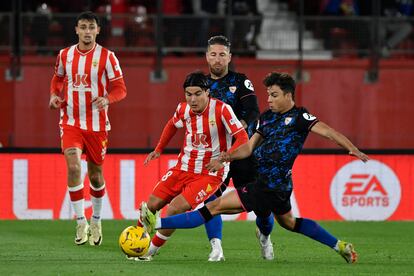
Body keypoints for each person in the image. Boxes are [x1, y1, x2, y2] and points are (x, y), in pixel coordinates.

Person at [142, 72, 369, 263]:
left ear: (288, 95)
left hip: (265, 186)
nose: (269, 100)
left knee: (212, 208)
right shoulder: (267, 118)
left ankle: (158, 223)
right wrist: (227, 157)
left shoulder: (301, 117)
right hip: (277, 185)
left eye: (274, 95)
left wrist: (352, 148)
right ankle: (338, 246)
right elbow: (248, 149)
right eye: (268, 94)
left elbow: (330, 132)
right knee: (290, 223)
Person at [136, 71, 249, 261]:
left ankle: (150, 250)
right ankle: (135, 242)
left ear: (207, 92)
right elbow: (172, 125)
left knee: (174, 209)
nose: (193, 99)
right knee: (151, 205)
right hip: (183, 167)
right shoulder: (183, 109)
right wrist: (159, 149)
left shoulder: (222, 110)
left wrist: (224, 158)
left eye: (197, 94)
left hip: (209, 173)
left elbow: (243, 138)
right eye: (189, 94)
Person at [48, 11, 127, 246]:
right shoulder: (65, 55)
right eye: (83, 27)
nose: (87, 31)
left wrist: (107, 99)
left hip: (97, 125)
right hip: (70, 121)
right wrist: (54, 95)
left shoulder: (108, 57)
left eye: (91, 27)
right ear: (76, 30)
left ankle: (97, 219)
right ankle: (80, 220)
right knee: (73, 167)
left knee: (95, 175)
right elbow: (57, 79)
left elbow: (120, 88)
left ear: (98, 30)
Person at [202, 35, 274, 262]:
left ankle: (264, 236)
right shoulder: (200, 86)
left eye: (222, 55)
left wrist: (237, 128)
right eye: (213, 54)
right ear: (207, 56)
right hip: (216, 154)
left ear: (229, 57)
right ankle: (216, 247)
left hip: (243, 152)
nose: (217, 59)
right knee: (210, 199)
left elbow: (253, 112)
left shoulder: (241, 82)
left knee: (262, 207)